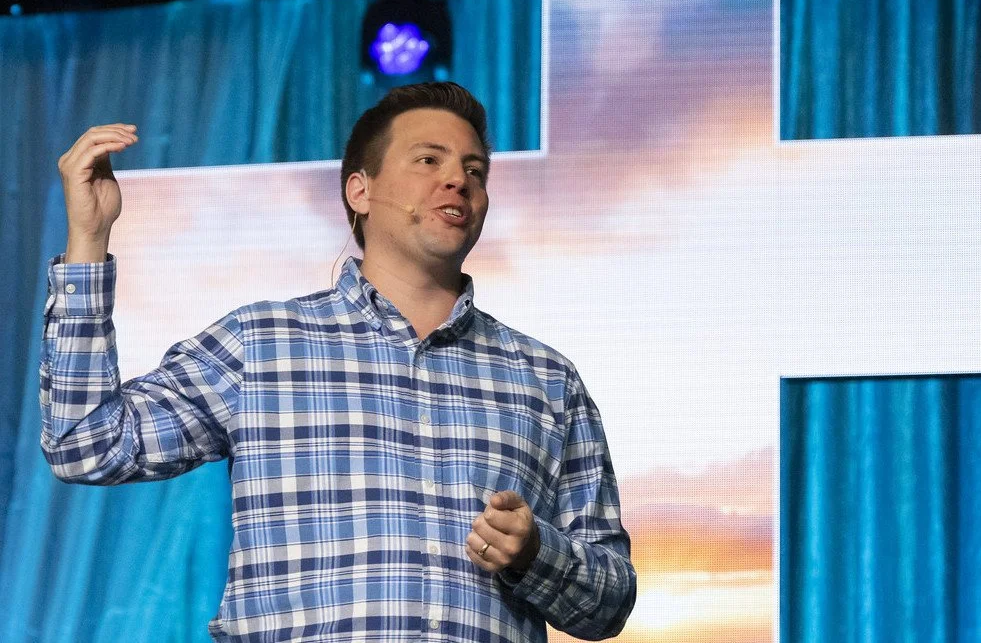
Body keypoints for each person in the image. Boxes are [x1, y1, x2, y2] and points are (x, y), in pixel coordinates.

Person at [41, 82, 636, 642]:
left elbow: (610, 600)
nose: (458, 179)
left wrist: (536, 555)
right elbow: (86, 444)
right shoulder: (262, 343)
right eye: (429, 160)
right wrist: (89, 239)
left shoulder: (546, 380)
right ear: (360, 190)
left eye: (474, 170)